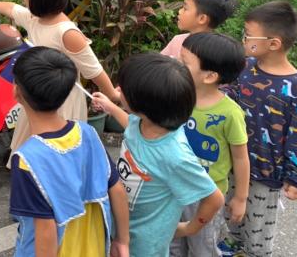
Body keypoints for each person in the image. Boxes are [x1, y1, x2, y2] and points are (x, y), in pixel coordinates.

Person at [0, 0, 119, 165]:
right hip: (36, 97)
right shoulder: (34, 19)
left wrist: (113, 96)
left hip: (62, 102)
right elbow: (11, 8)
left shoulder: (67, 33)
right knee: (35, 156)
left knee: (59, 158)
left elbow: (94, 70)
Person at [92, 53, 224, 257]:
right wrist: (110, 107)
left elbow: (214, 198)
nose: (118, 90)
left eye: (123, 89)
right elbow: (130, 126)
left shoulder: (175, 155)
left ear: (143, 105)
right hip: (122, 226)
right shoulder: (144, 122)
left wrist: (189, 228)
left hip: (147, 244)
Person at [9, 46, 130, 257]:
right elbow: (116, 189)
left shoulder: (27, 160)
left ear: (16, 92)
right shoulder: (87, 133)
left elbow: (45, 230)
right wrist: (122, 241)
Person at [220, 1, 297, 257]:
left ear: (274, 43)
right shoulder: (245, 68)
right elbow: (227, 96)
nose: (243, 39)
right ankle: (230, 247)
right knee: (230, 217)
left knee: (257, 236)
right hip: (233, 162)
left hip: (266, 173)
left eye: (248, 35)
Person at [169, 33, 249, 257]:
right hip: (172, 187)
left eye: (184, 62)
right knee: (171, 242)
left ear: (210, 76)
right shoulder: (176, 96)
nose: (176, 64)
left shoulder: (230, 113)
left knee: (202, 247)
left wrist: (240, 198)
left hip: (206, 196)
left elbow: (241, 157)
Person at [161, 0, 236, 60]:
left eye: (185, 9)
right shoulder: (177, 41)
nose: (179, 11)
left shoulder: (216, 53)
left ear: (202, 19)